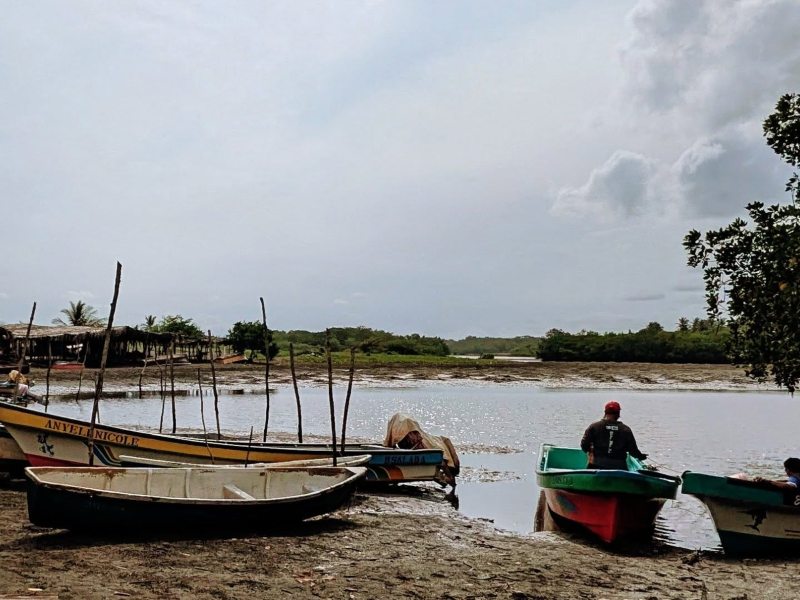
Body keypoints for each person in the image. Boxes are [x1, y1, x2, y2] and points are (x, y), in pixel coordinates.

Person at [580, 400, 647, 469]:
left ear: (605, 412)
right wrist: (641, 456)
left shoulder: (594, 427)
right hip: (619, 467)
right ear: (618, 414)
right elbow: (633, 451)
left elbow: (584, 446)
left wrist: (591, 451)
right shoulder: (626, 430)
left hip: (597, 465)